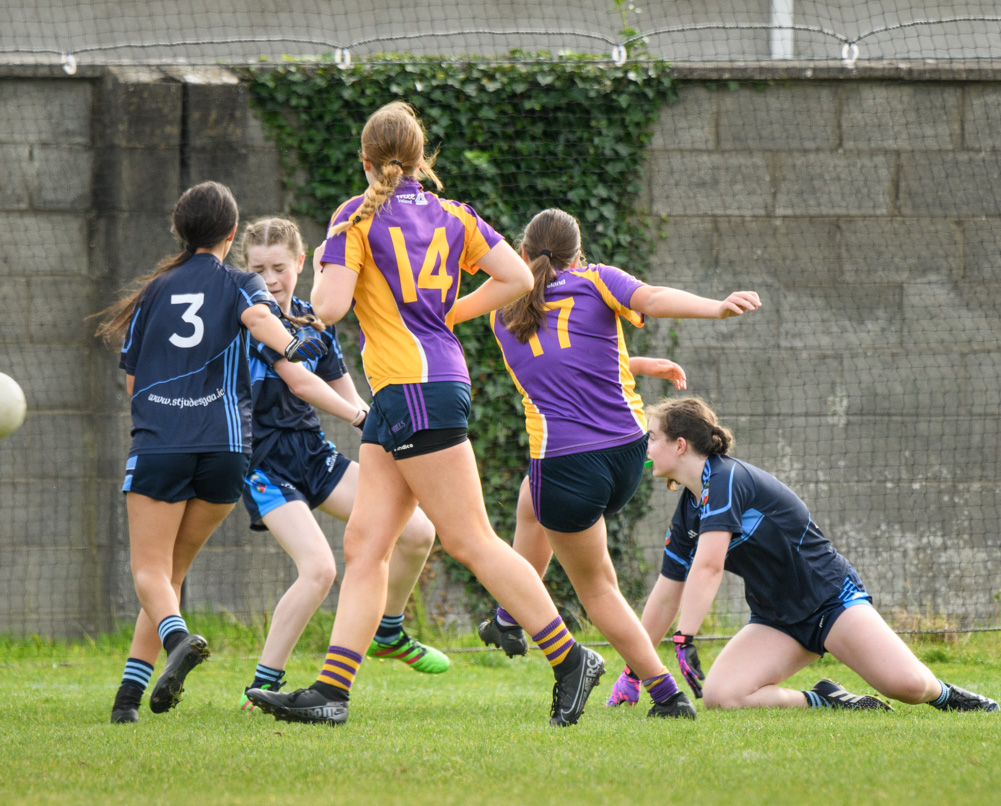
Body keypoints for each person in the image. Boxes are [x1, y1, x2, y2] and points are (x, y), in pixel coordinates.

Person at [247, 101, 605, 727]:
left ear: (365, 160)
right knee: (364, 545)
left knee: (470, 540)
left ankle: (570, 658)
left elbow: (328, 307)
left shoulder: (356, 215)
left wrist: (287, 314)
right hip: (415, 388)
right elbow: (518, 276)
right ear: (420, 159)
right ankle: (332, 694)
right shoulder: (453, 213)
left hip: (413, 389)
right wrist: (449, 314)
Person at [478, 207, 762, 719]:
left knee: (598, 589)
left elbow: (553, 361)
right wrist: (716, 309)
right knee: (529, 503)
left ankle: (665, 694)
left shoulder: (504, 314)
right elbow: (645, 303)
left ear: (521, 256)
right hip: (628, 455)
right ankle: (507, 615)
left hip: (567, 467)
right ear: (578, 254)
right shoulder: (597, 281)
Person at [94, 182, 328, 725]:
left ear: (181, 231)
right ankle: (128, 702)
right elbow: (265, 322)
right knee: (170, 575)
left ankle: (178, 641)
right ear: (231, 233)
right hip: (226, 453)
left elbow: (133, 381)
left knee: (150, 572)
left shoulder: (154, 291)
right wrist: (296, 344)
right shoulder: (242, 283)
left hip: (163, 447)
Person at [624, 395, 999, 713]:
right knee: (723, 697)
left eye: (652, 437)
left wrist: (684, 638)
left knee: (909, 687)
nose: (645, 447)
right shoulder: (689, 508)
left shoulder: (726, 479)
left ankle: (955, 697)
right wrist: (633, 670)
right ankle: (830, 700)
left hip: (830, 601)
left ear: (680, 445)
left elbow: (707, 568)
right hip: (776, 618)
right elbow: (667, 588)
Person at [234, 216, 448, 713]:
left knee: (418, 532)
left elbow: (345, 388)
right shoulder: (252, 321)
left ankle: (389, 631)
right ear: (244, 270)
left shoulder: (314, 322)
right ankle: (259, 687)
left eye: (279, 268)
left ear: (301, 263)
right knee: (319, 569)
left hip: (312, 454)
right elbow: (303, 384)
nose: (269, 280)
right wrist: (360, 418)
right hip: (265, 465)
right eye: (258, 269)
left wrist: (382, 428)